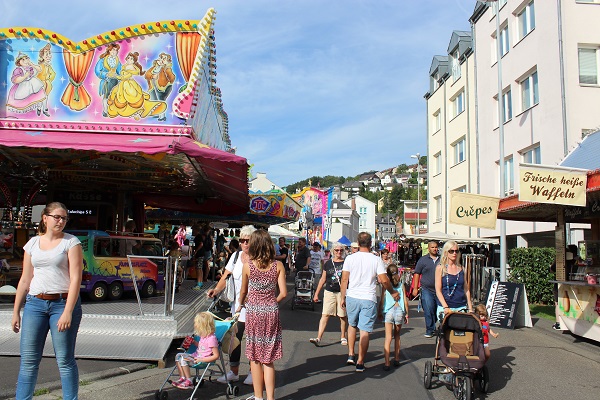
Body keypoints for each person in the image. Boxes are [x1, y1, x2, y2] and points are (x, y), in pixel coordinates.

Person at [11, 202, 83, 400]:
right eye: (57, 217)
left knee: (64, 360)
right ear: (45, 218)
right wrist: (16, 310)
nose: (61, 221)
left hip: (62, 302)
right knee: (28, 361)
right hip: (35, 303)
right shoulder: (33, 243)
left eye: (64, 218)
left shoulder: (71, 242)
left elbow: (76, 278)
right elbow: (25, 278)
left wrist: (68, 311)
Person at [237, 230, 287, 400]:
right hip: (271, 312)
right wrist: (272, 302)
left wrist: (243, 303)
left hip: (254, 312)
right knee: (268, 358)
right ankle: (270, 398)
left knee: (255, 357)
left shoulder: (248, 266)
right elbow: (283, 293)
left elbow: (243, 292)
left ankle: (258, 397)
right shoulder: (277, 266)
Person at [340, 232, 400, 372]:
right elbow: (384, 280)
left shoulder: (350, 258)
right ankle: (360, 361)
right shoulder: (376, 260)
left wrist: (343, 297)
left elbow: (344, 279)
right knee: (365, 330)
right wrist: (393, 292)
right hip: (368, 297)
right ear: (371, 242)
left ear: (358, 242)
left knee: (352, 326)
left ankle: (350, 354)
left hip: (352, 296)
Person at [207, 225, 256, 386]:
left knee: (252, 340)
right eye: (241, 240)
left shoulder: (259, 257)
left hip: (255, 306)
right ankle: (233, 372)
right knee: (234, 339)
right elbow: (225, 277)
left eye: (247, 240)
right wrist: (216, 290)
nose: (244, 244)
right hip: (237, 306)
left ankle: (252, 372)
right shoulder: (235, 256)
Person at [106, 52, 167, 120]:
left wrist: (115, 76)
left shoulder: (131, 68)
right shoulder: (125, 65)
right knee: (116, 93)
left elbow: (124, 77)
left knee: (132, 98)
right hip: (122, 84)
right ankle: (132, 112)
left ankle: (138, 112)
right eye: (128, 58)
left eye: (131, 59)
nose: (129, 59)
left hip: (129, 85)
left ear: (134, 61)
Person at [309, 242, 348, 346]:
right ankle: (318, 338)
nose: (339, 252)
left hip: (341, 292)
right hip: (329, 291)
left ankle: (343, 336)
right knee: (325, 314)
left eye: (341, 250)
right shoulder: (328, 263)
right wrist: (316, 294)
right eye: (336, 250)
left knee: (342, 315)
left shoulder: (346, 263)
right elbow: (323, 279)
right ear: (333, 251)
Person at [172, 312, 220, 389]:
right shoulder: (203, 336)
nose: (194, 326)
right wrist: (194, 342)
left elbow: (216, 355)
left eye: (196, 324)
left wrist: (202, 359)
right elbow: (202, 347)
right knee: (178, 356)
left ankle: (189, 381)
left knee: (183, 359)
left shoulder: (211, 339)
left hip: (203, 360)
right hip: (196, 356)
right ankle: (182, 378)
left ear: (202, 326)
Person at [379, 264, 409, 371]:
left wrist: (380, 311)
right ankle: (396, 358)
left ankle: (387, 362)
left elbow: (382, 299)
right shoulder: (401, 285)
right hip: (399, 310)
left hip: (389, 311)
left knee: (388, 338)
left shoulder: (386, 286)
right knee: (397, 336)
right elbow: (405, 300)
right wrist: (406, 313)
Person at [435, 241, 473, 319]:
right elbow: (438, 290)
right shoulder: (440, 268)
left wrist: (470, 308)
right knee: (447, 330)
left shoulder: (462, 269)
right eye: (451, 251)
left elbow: (466, 289)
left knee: (462, 330)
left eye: (456, 251)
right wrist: (445, 307)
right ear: (446, 252)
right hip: (445, 307)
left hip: (461, 306)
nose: (454, 253)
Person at [412, 241, 440, 338]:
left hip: (439, 290)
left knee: (437, 310)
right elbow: (416, 273)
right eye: (432, 247)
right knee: (428, 309)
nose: (434, 249)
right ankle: (430, 330)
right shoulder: (423, 260)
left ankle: (434, 323)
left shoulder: (442, 260)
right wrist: (415, 288)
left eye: (436, 247)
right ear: (428, 249)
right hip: (426, 289)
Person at [7, 52, 48, 116]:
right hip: (23, 86)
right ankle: (37, 109)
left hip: (34, 84)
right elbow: (15, 80)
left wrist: (32, 64)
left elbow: (39, 69)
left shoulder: (30, 67)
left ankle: (41, 108)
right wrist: (25, 76)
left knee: (41, 95)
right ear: (19, 62)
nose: (25, 60)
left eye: (26, 58)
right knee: (25, 98)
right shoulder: (18, 70)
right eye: (22, 59)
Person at [94, 43, 122, 117]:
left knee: (115, 97)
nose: (114, 52)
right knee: (106, 96)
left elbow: (120, 71)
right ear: (109, 50)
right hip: (107, 81)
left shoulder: (118, 62)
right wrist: (106, 74)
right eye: (113, 50)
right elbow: (97, 71)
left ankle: (113, 111)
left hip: (116, 81)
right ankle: (105, 111)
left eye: (116, 50)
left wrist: (120, 76)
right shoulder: (102, 61)